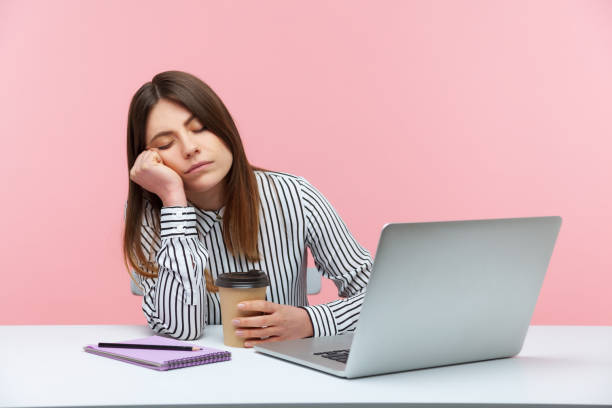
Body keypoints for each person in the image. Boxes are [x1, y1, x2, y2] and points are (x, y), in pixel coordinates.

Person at [123, 70, 373, 344]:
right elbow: (181, 329)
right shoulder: (151, 216)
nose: (190, 147)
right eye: (165, 143)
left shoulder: (295, 196)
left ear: (224, 127)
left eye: (200, 128)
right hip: (200, 377)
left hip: (288, 371)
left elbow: (380, 295)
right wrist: (173, 201)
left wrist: (310, 322)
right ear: (148, 159)